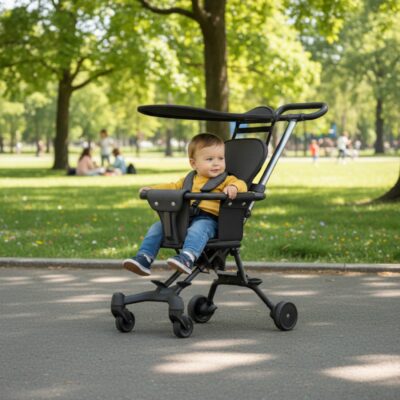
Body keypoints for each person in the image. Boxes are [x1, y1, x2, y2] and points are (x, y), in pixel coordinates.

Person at [123, 133, 247, 276]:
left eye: (221, 158)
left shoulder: (227, 180)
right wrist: (152, 189)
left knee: (198, 229)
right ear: (194, 164)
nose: (216, 163)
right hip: (184, 218)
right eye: (209, 159)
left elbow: (242, 184)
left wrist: (234, 188)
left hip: (209, 220)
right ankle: (144, 258)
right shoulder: (189, 179)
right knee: (158, 227)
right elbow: (172, 187)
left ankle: (187, 257)